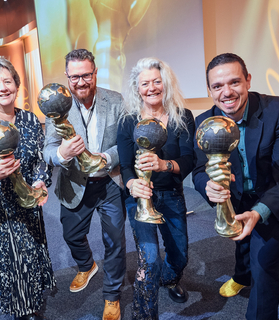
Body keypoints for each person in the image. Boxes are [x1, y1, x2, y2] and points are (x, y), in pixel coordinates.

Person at [192, 53, 279, 320]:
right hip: (239, 198)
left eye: (235, 82)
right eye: (217, 86)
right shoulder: (205, 121)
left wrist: (259, 211)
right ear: (210, 90)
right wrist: (208, 187)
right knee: (243, 242)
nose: (227, 92)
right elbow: (199, 170)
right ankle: (240, 276)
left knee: (264, 266)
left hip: (278, 199)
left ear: (248, 80)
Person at [43, 48, 126, 320]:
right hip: (75, 182)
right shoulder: (57, 108)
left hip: (110, 181)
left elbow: (126, 143)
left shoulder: (115, 101)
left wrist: (108, 156)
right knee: (70, 235)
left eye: (86, 75)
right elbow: (48, 149)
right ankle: (86, 265)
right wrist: (61, 155)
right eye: (75, 76)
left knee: (114, 240)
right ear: (67, 76)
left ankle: (112, 295)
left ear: (95, 73)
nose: (81, 82)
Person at [0, 57, 55, 320]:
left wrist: (41, 181)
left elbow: (42, 159)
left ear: (17, 86)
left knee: (32, 251)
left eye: (8, 81)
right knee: (14, 258)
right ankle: (22, 310)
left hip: (30, 201)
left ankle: (33, 301)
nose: (3, 87)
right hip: (3, 208)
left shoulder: (30, 120)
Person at [117, 57, 195, 319]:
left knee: (180, 255)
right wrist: (131, 184)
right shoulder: (128, 120)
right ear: (137, 88)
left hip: (172, 194)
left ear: (166, 84)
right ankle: (145, 315)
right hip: (140, 198)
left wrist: (163, 165)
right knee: (149, 260)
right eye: (144, 83)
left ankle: (170, 279)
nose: (151, 88)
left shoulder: (181, 117)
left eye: (156, 81)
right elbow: (125, 165)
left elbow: (189, 159)